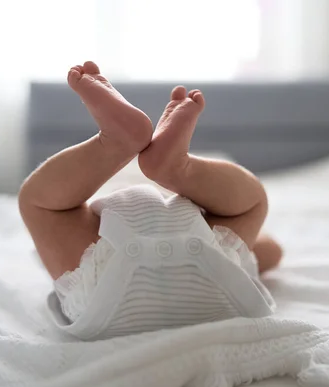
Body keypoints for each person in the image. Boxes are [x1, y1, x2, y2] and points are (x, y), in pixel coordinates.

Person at [19, 61, 283, 339]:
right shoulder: (208, 218)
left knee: (38, 203)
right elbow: (272, 251)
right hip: (213, 275)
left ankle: (113, 145)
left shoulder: (108, 190)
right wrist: (254, 248)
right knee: (253, 202)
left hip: (106, 289)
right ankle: (180, 169)